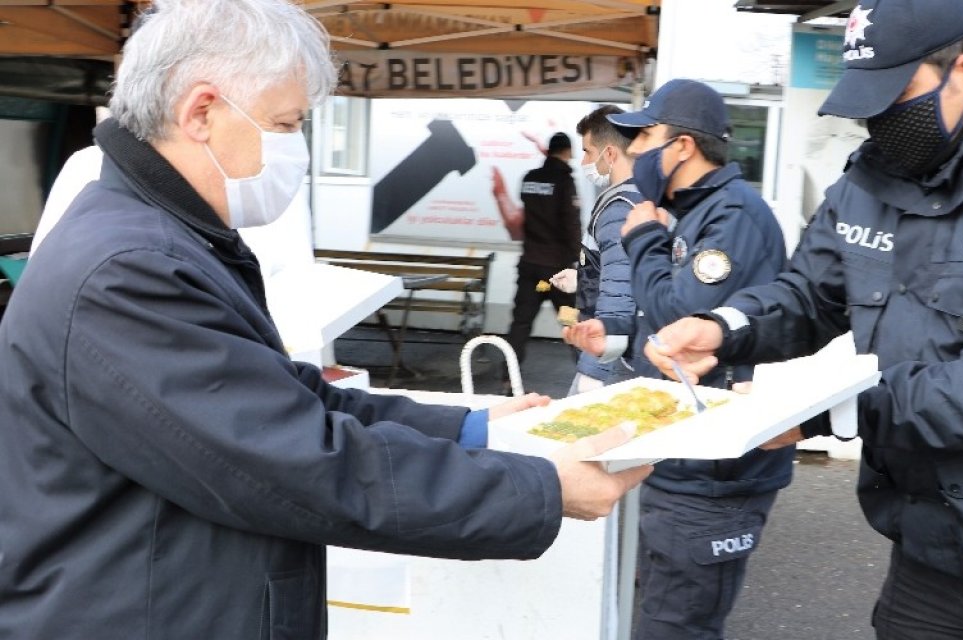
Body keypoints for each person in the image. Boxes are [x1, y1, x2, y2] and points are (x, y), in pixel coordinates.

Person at [0, 1, 649, 637]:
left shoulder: (166, 236)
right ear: (201, 112)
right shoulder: (130, 267)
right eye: (286, 124)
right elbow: (295, 461)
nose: (296, 148)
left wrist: (474, 428)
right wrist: (540, 490)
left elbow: (284, 400)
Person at [645, 1, 963, 638]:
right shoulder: (875, 176)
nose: (877, 119)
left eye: (896, 95)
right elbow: (809, 293)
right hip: (926, 546)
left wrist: (827, 412)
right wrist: (727, 326)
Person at [605, 78, 796, 640]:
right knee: (655, 609)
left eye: (645, 136)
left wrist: (641, 240)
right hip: (682, 458)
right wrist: (614, 335)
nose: (634, 151)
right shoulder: (697, 212)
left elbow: (681, 322)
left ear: (683, 146)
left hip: (715, 473)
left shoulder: (732, 215)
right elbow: (668, 320)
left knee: (675, 625)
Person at [556, 105, 642, 395]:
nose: (582, 162)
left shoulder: (618, 208)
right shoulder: (642, 196)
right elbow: (626, 272)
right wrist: (583, 277)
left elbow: (619, 292)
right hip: (630, 349)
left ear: (610, 154)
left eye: (588, 152)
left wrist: (593, 373)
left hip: (614, 357)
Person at [504, 130, 582, 383]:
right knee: (570, 321)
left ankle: (508, 376)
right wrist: (576, 259)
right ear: (568, 152)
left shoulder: (530, 178)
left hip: (532, 270)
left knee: (521, 322)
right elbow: (571, 224)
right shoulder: (564, 181)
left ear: (549, 151)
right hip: (557, 271)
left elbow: (528, 214)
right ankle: (587, 373)